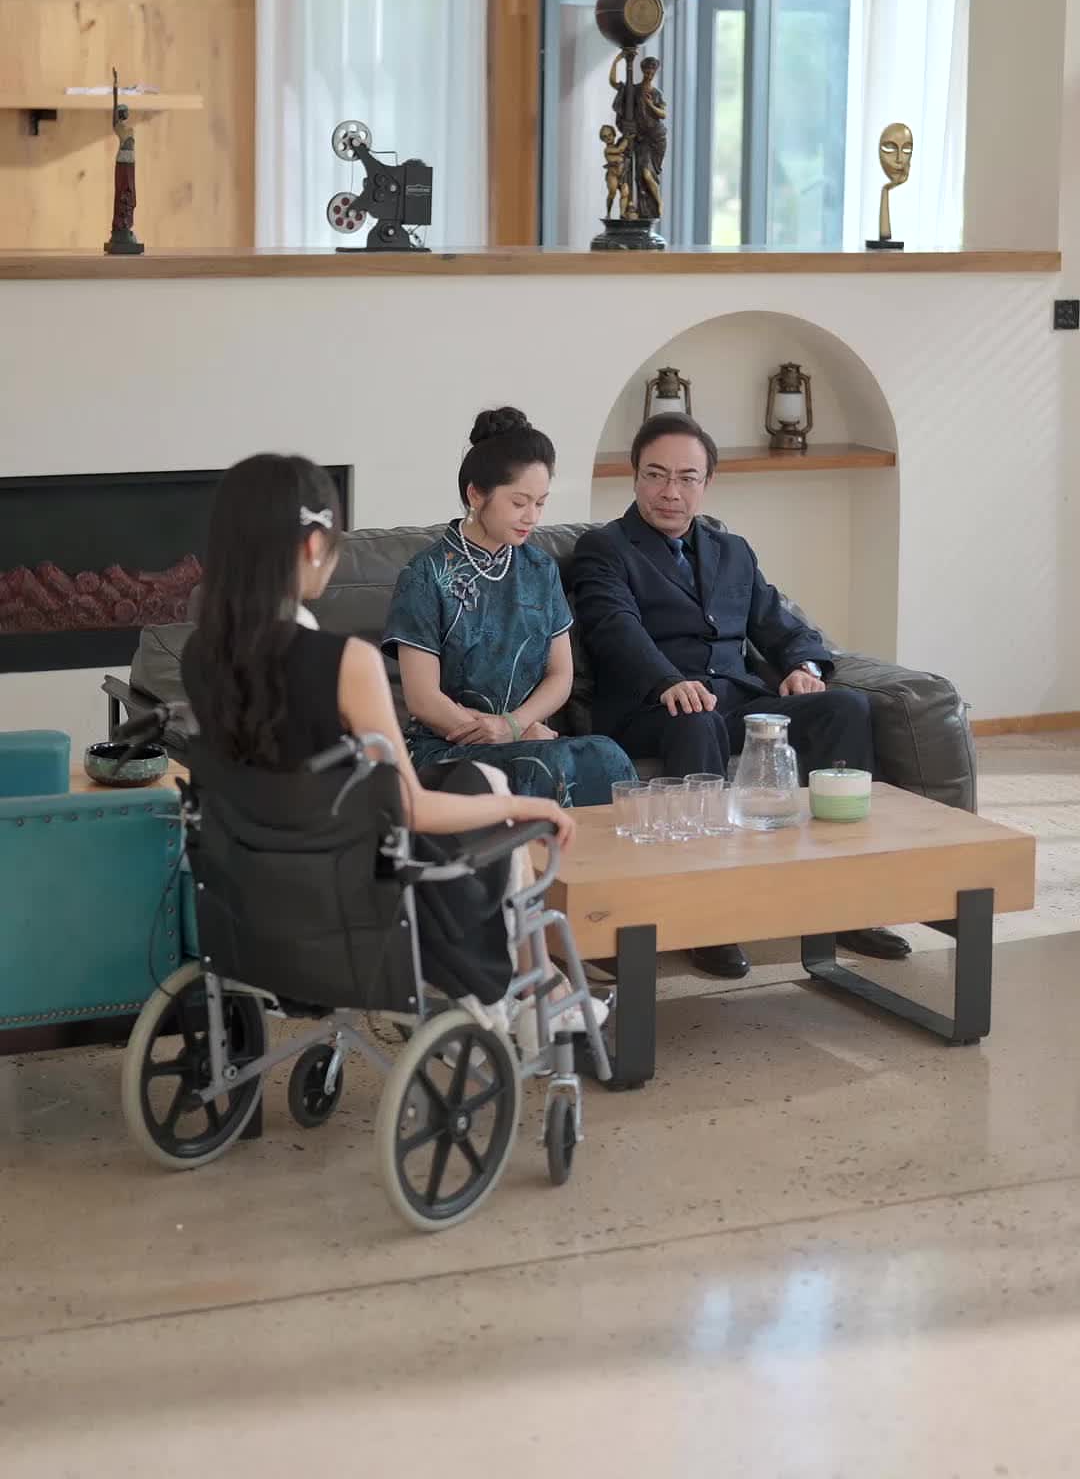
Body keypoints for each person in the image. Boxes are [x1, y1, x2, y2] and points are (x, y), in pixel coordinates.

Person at [180, 452, 581, 1035]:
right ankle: (526, 999)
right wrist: (528, 807)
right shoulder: (346, 663)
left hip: (252, 898)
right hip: (350, 901)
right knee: (490, 791)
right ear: (313, 546)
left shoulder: (200, 655)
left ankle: (537, 994)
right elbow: (410, 808)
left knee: (472, 778)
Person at [571, 412, 911, 980]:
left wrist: (802, 666)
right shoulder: (605, 548)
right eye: (655, 475)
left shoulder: (733, 551)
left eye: (686, 477)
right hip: (654, 708)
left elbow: (780, 622)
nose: (670, 492)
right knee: (695, 719)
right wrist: (667, 680)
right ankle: (707, 920)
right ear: (635, 477)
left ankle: (846, 905)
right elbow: (614, 627)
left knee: (844, 707)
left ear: (707, 483)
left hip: (737, 703)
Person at [383, 407, 634, 809]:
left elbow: (560, 675)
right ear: (475, 495)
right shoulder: (426, 574)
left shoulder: (540, 569)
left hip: (523, 738)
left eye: (540, 503)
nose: (531, 517)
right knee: (543, 765)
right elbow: (423, 698)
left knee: (605, 755)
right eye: (519, 502)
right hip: (446, 746)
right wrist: (505, 735)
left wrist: (514, 726)